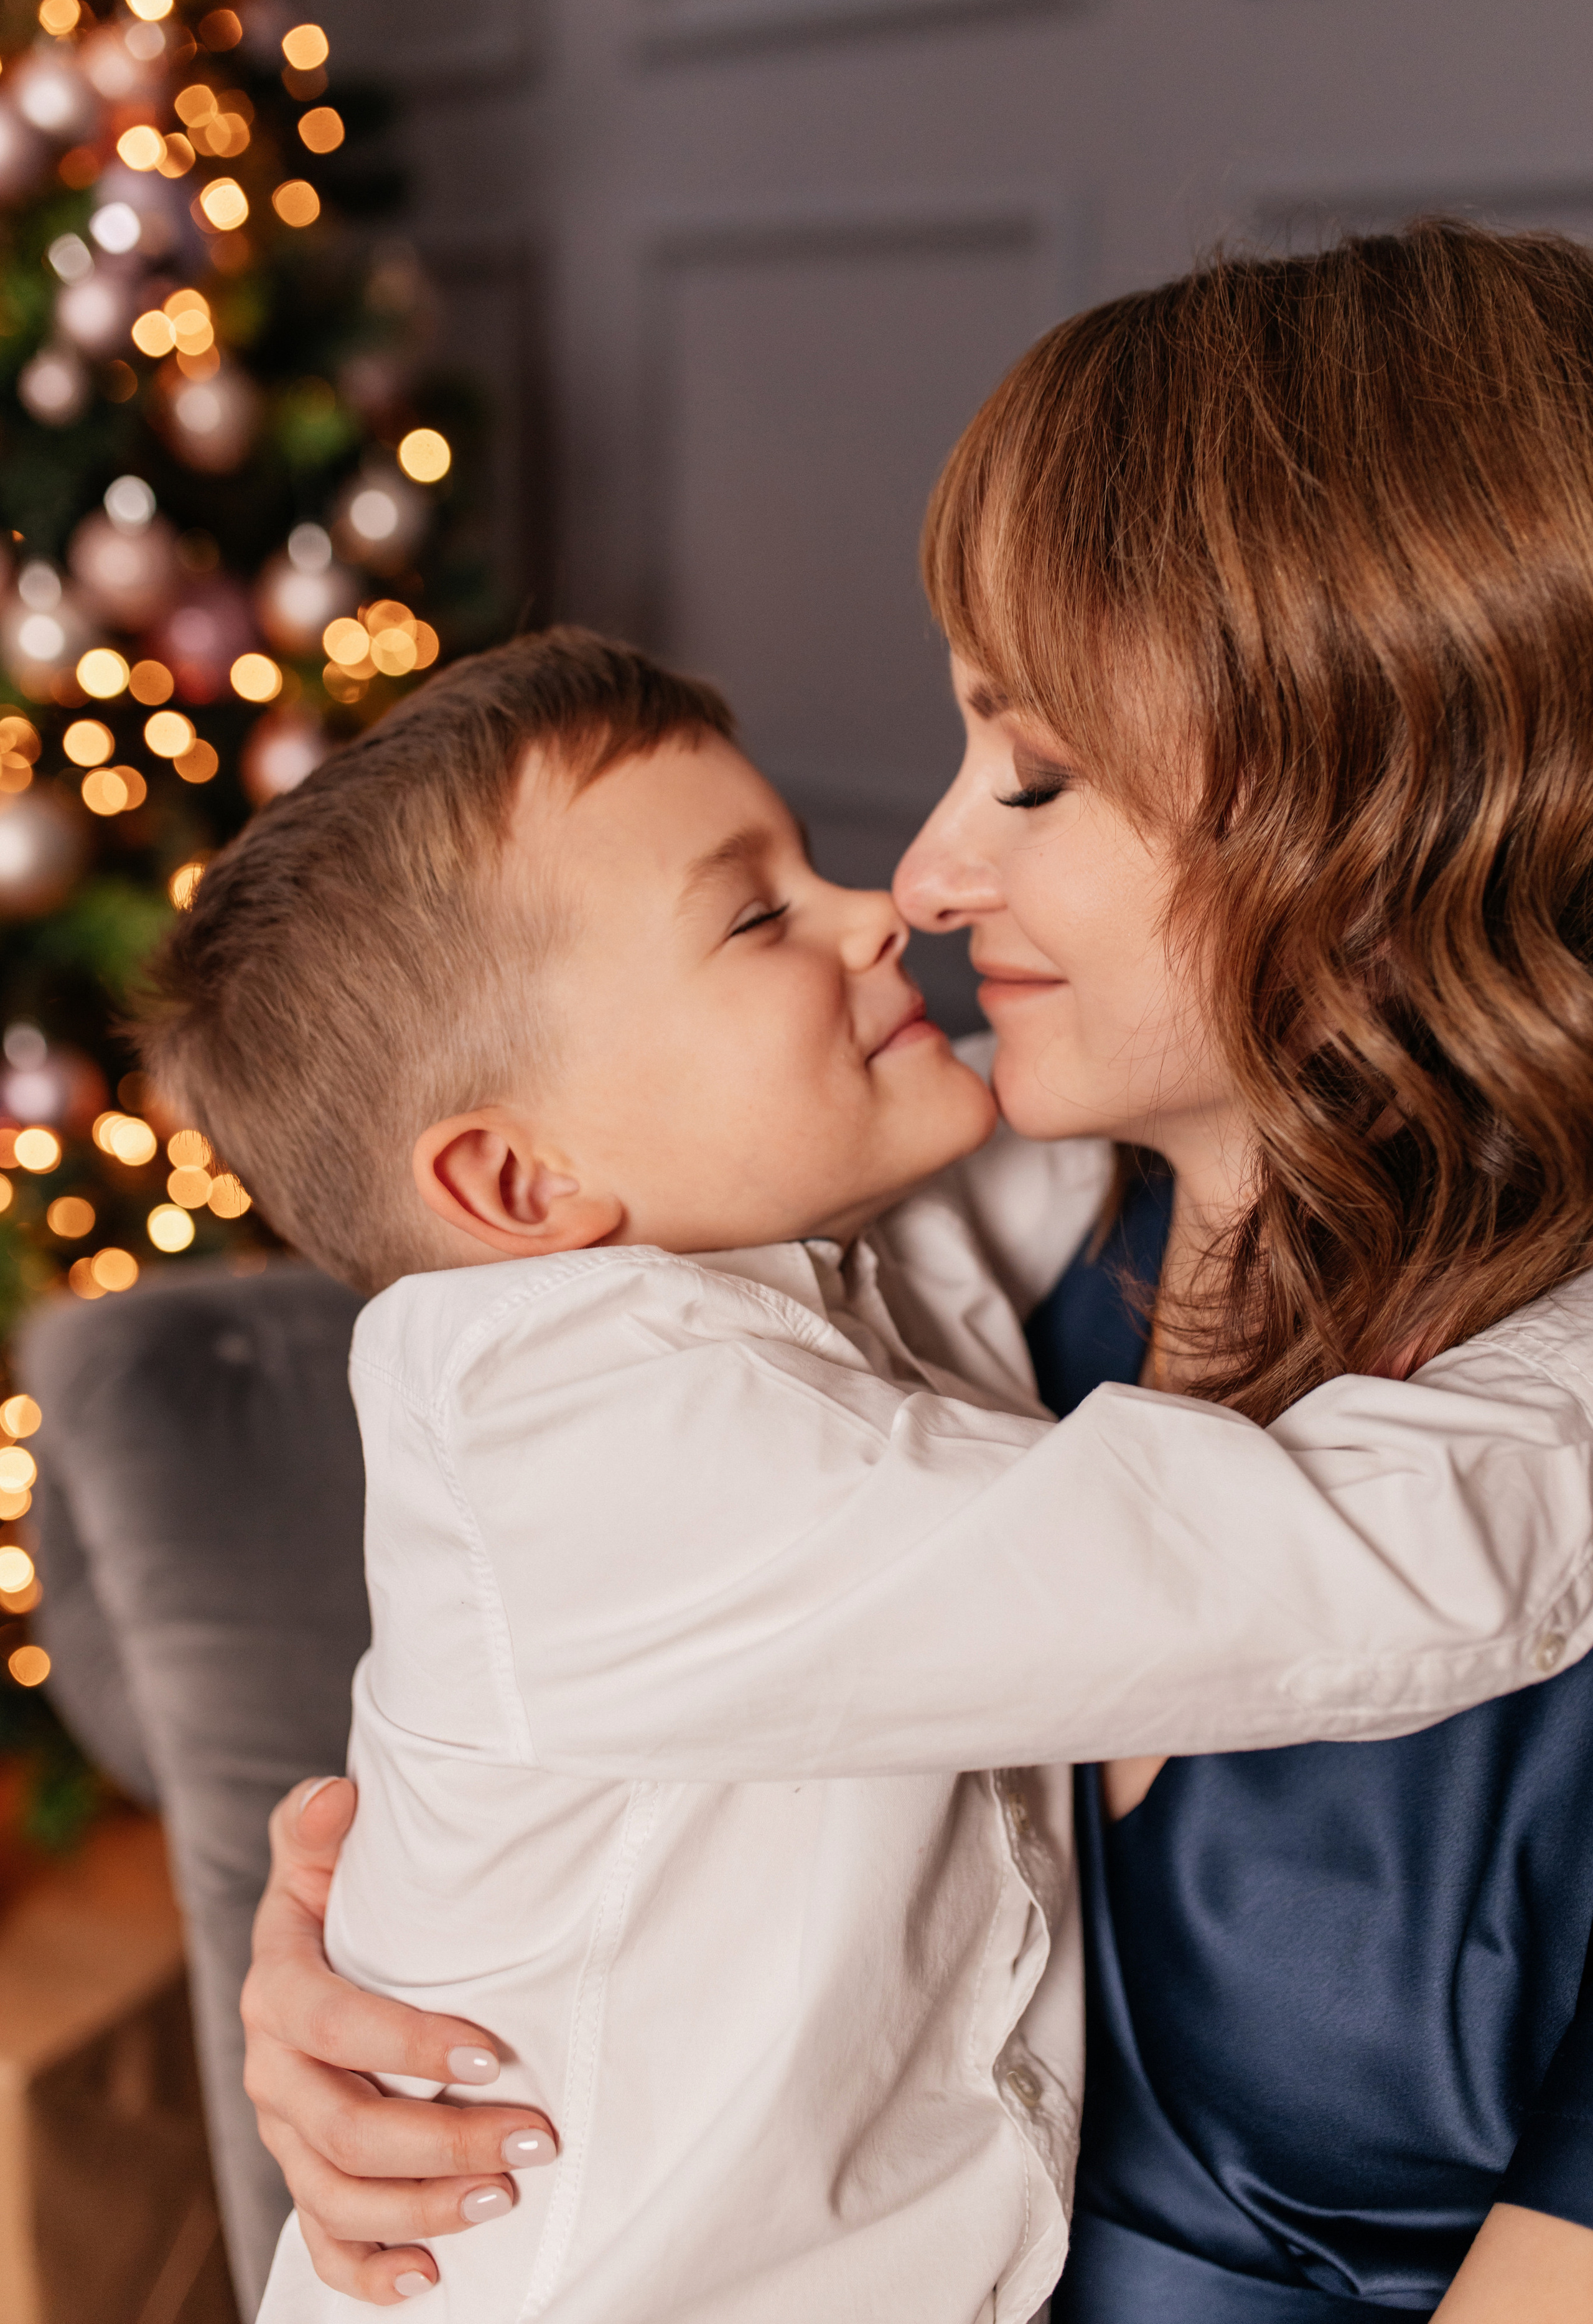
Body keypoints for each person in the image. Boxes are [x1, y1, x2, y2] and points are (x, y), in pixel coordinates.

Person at [234, 222, 1593, 2318]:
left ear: (1394, 803)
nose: (927, 881)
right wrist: (374, 1975)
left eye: (1039, 771)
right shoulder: (948, 1300)